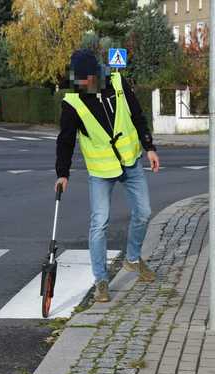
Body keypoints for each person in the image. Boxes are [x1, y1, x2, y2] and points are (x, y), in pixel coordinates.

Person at [54, 49, 161, 303]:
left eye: (88, 78)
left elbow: (137, 115)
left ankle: (133, 259)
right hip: (101, 171)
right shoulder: (72, 103)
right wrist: (62, 173)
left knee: (144, 212)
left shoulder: (118, 83)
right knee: (99, 223)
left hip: (131, 161)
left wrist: (150, 147)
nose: (84, 84)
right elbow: (65, 140)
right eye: (80, 80)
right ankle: (101, 279)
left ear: (97, 73)